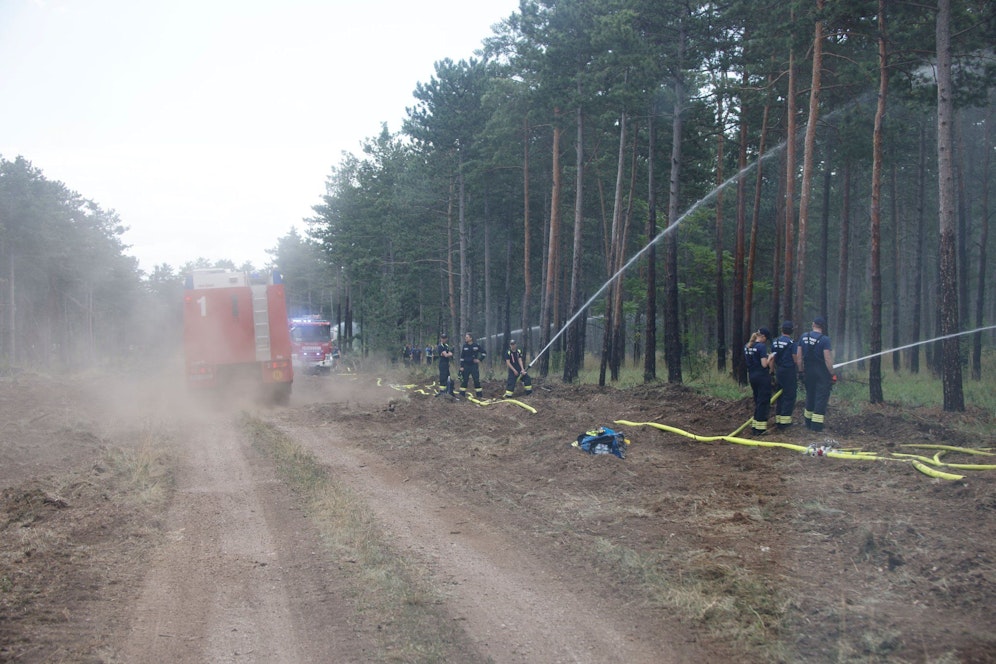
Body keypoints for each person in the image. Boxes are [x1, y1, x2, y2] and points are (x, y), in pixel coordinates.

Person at [799, 316, 836, 432]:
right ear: (823, 327)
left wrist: (801, 371)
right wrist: (832, 373)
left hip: (808, 370)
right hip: (821, 372)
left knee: (810, 395)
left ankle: (808, 422)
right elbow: (827, 359)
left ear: (813, 324)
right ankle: (817, 426)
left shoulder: (803, 337)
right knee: (821, 397)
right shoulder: (825, 340)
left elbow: (799, 357)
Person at [770, 321, 803, 428]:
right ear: (791, 331)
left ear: (782, 330)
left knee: (780, 395)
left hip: (779, 370)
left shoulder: (775, 342)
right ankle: (785, 422)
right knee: (789, 395)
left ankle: (778, 419)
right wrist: (800, 369)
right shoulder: (792, 343)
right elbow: (795, 357)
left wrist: (772, 371)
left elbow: (772, 357)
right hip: (789, 371)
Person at [744, 327, 773, 435]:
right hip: (762, 377)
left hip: (752, 376)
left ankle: (755, 426)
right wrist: (770, 357)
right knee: (763, 401)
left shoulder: (747, 346)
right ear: (763, 337)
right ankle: (760, 429)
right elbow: (764, 364)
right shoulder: (761, 347)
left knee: (757, 400)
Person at [459, 332, 486, 399]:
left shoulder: (476, 345)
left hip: (474, 366)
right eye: (465, 337)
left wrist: (479, 360)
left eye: (467, 337)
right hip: (466, 366)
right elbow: (462, 357)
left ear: (471, 338)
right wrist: (461, 366)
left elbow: (484, 353)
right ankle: (462, 396)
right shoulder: (464, 346)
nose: (466, 338)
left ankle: (479, 396)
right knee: (464, 381)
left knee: (476, 380)